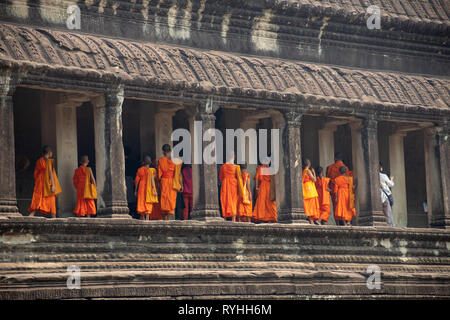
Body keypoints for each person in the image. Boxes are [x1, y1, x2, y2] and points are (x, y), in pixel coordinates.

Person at [28, 146, 62, 218]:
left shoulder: (39, 160)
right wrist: (53, 185)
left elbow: (36, 173)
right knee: (51, 199)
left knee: (38, 197)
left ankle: (32, 214)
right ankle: (53, 216)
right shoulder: (49, 161)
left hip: (40, 181)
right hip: (47, 182)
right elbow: (50, 173)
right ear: (49, 153)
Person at [157, 144, 182, 220]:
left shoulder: (161, 161)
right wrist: (180, 184)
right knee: (171, 200)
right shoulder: (176, 161)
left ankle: (165, 219)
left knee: (164, 199)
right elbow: (178, 174)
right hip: (173, 182)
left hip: (164, 182)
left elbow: (159, 174)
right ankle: (171, 219)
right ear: (170, 150)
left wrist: (158, 183)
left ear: (163, 151)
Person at [327, 152, 349, 225]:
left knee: (335, 207)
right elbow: (349, 179)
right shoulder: (346, 168)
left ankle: (337, 223)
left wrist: (330, 190)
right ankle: (346, 221)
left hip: (334, 190)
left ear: (335, 158)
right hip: (346, 191)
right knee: (346, 206)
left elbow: (328, 180)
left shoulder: (330, 167)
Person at [252, 157, 277, 223]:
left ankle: (268, 217)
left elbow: (257, 178)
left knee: (264, 201)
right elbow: (257, 178)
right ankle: (269, 217)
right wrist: (257, 187)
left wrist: (257, 187)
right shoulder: (263, 168)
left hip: (265, 186)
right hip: (267, 187)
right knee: (266, 202)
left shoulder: (262, 168)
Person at [135, 155, 158, 221]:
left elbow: (137, 181)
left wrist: (135, 190)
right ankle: (147, 217)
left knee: (141, 201)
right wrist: (155, 189)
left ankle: (142, 217)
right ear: (150, 162)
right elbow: (153, 180)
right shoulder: (152, 170)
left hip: (141, 187)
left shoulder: (140, 170)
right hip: (149, 188)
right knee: (148, 201)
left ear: (143, 162)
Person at [219, 154, 238, 222]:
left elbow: (221, 177)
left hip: (225, 184)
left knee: (225, 200)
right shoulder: (235, 167)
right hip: (233, 184)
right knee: (233, 200)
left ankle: (225, 218)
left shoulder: (223, 166)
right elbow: (237, 177)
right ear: (234, 157)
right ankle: (234, 218)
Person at [302, 159, 320, 224]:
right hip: (310, 190)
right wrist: (314, 173)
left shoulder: (303, 171)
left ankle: (311, 220)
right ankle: (311, 220)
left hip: (306, 189)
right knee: (311, 205)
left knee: (308, 205)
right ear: (309, 164)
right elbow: (314, 180)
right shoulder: (308, 171)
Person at [379, 162, 395, 227]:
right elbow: (391, 184)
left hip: (377, 198)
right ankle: (390, 227)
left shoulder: (371, 176)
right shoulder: (383, 176)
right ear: (380, 168)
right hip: (384, 196)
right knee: (388, 213)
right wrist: (391, 179)